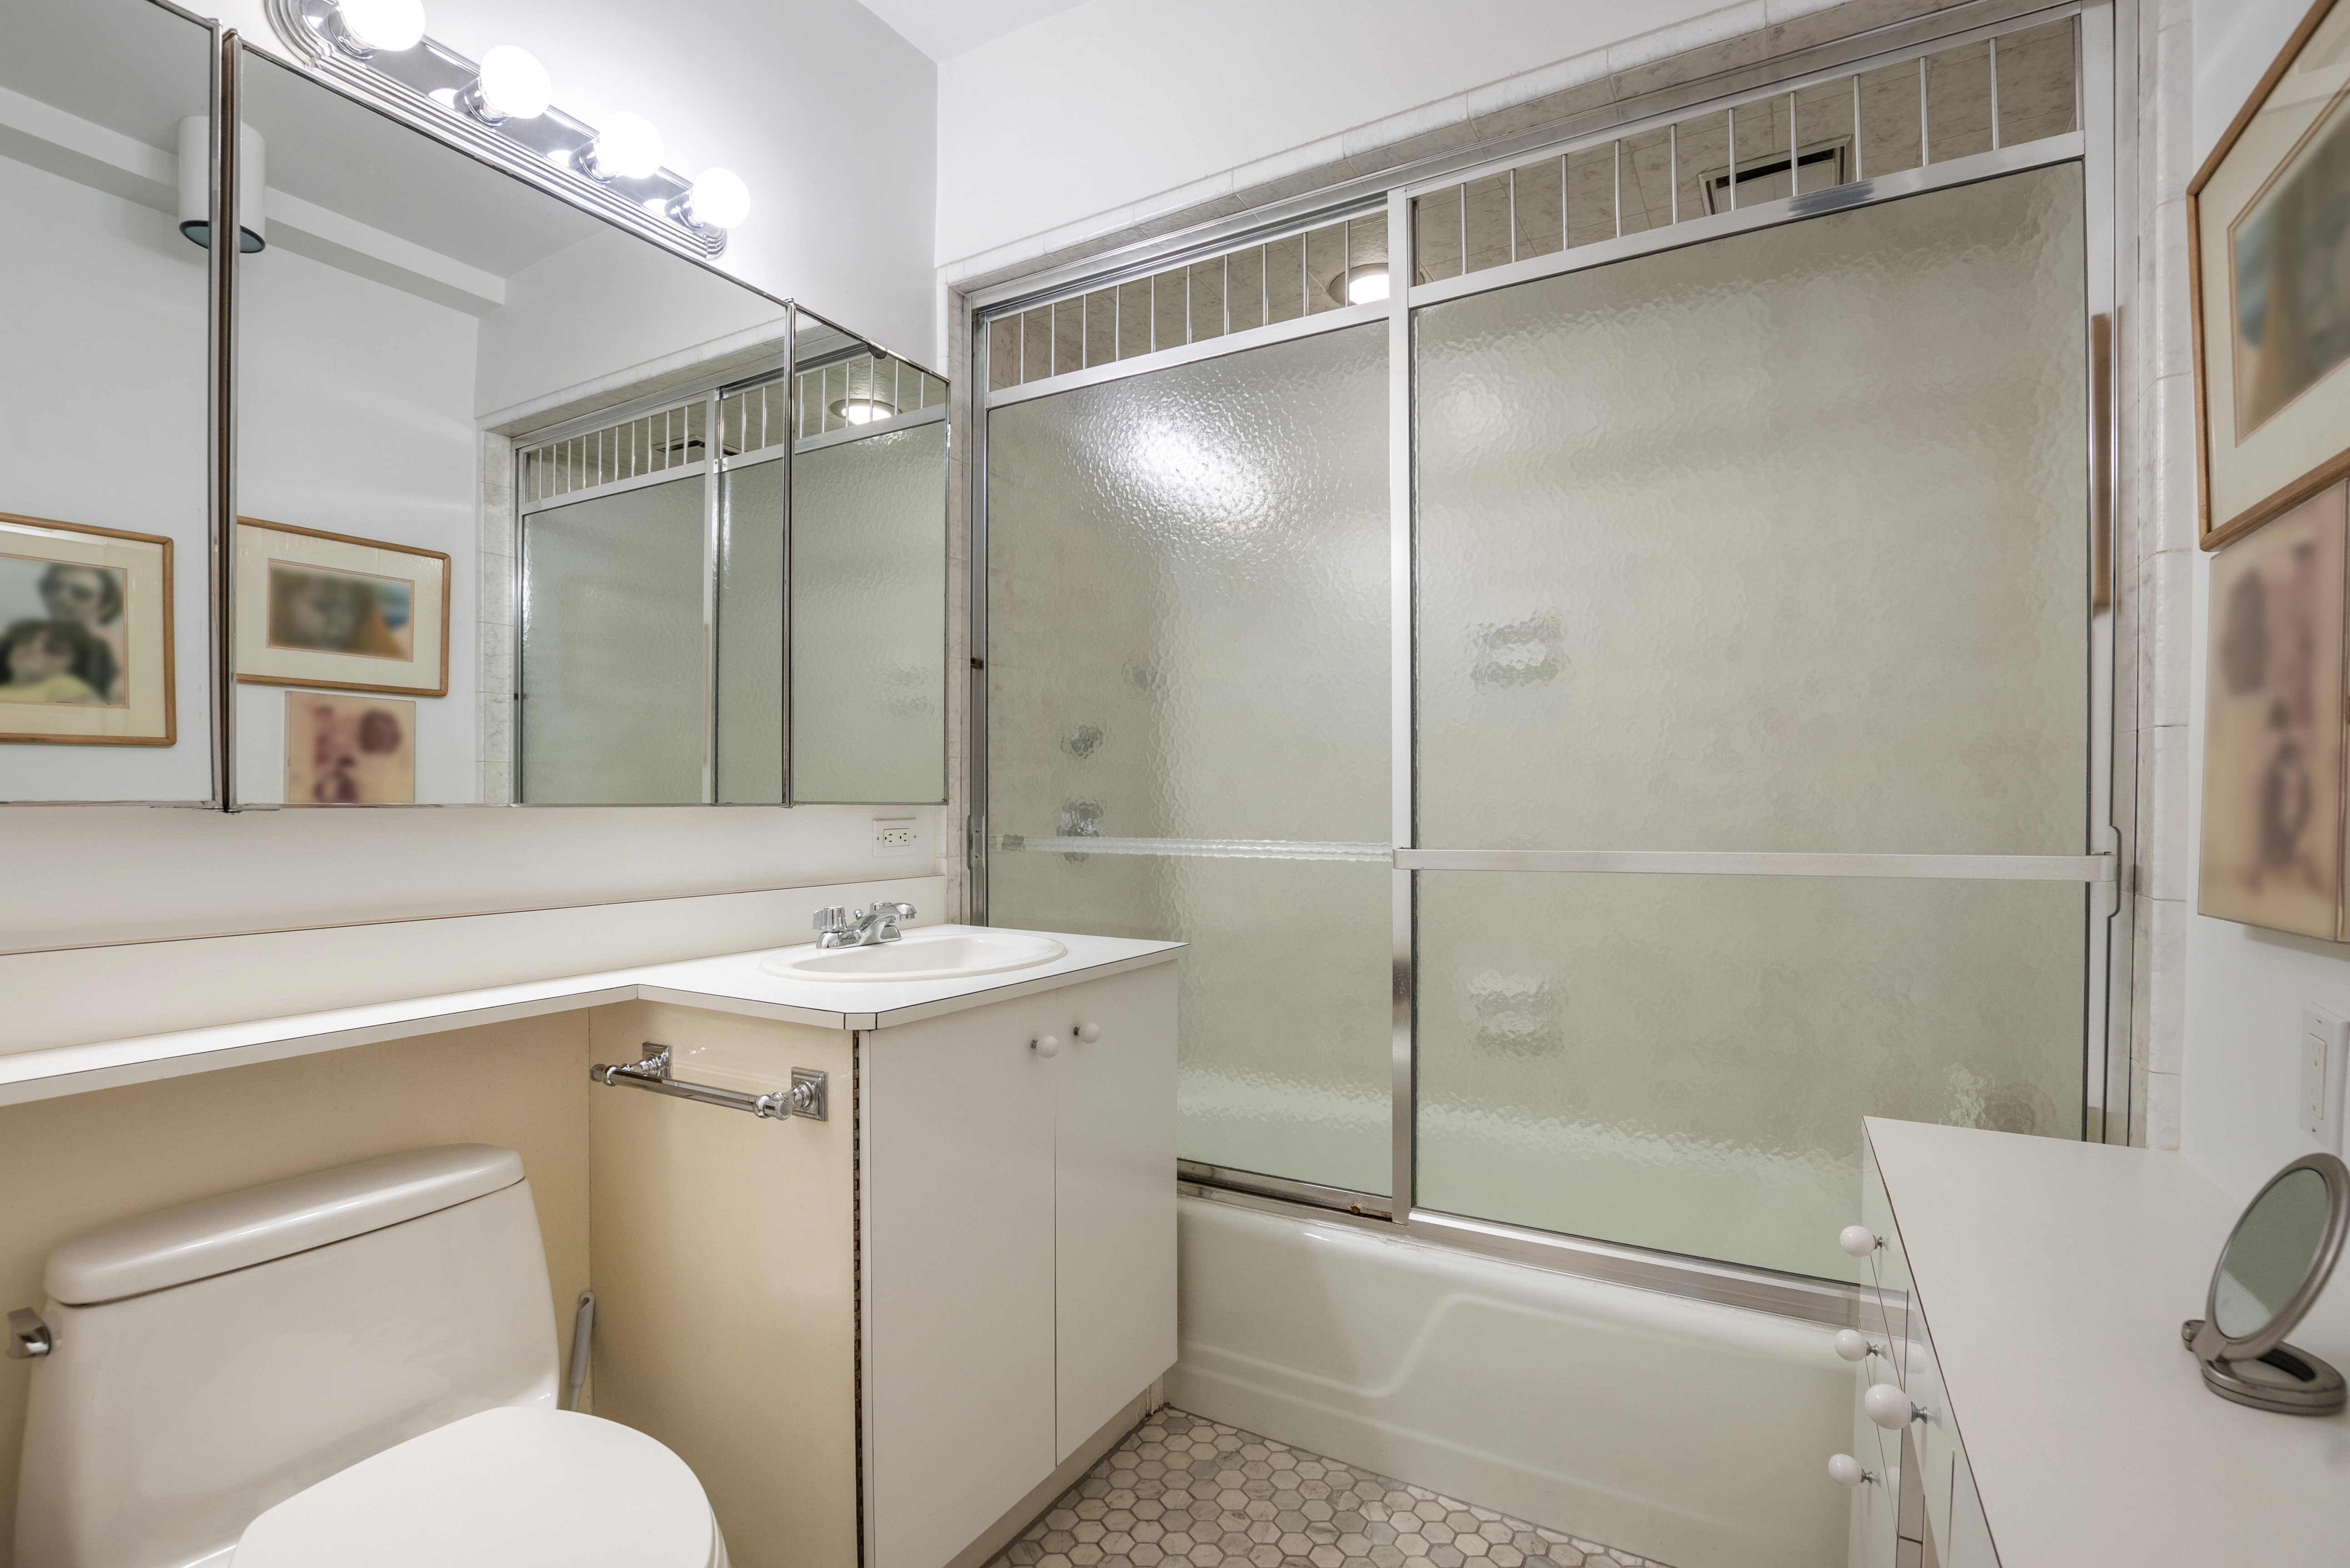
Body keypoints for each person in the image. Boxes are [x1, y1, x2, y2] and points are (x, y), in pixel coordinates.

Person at [39, 564, 127, 704]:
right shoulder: (23, 639)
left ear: (105, 606)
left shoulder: (127, 648)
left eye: (81, 592)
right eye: (53, 586)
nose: (62, 596)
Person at [0, 618, 117, 705]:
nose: (34, 647)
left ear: (73, 662)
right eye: (26, 639)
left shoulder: (66, 686)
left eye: (54, 646)